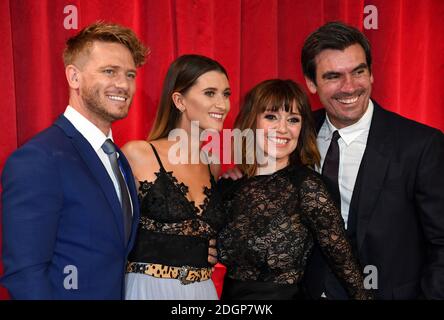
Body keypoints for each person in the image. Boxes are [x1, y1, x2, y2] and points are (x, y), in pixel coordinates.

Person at [1, 22, 148, 299]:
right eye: (109, 71)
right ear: (74, 77)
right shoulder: (38, 159)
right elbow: (25, 274)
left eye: (130, 74)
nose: (123, 84)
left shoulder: (117, 158)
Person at [298, 21, 444, 300]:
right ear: (311, 83)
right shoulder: (295, 134)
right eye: (333, 76)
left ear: (371, 74)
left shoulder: (421, 145)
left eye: (358, 72)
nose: (349, 87)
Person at [217, 79, 372, 300]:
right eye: (271, 117)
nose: (283, 129)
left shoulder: (307, 187)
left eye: (293, 119)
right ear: (251, 122)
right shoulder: (227, 186)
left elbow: (346, 266)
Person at [121, 54, 231, 300]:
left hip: (202, 290)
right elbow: (111, 234)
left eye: (226, 94)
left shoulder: (212, 163)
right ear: (179, 100)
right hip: (147, 289)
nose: (222, 105)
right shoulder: (138, 154)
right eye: (210, 93)